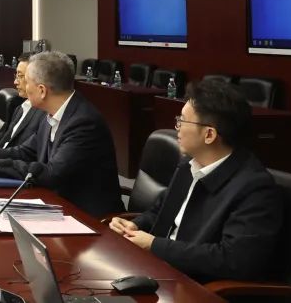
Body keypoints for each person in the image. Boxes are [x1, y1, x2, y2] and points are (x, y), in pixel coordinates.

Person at [109, 80, 282, 283]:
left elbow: (233, 260)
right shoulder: (189, 165)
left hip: (194, 285)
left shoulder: (254, 188)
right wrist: (133, 225)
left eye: (182, 121)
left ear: (209, 134)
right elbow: (159, 213)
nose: (177, 128)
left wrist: (153, 245)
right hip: (157, 269)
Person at [0, 51, 123, 218]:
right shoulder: (52, 112)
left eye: (27, 81)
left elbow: (53, 173)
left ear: (42, 90)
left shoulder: (83, 122)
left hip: (88, 217)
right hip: (56, 204)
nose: (21, 85)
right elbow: (25, 151)